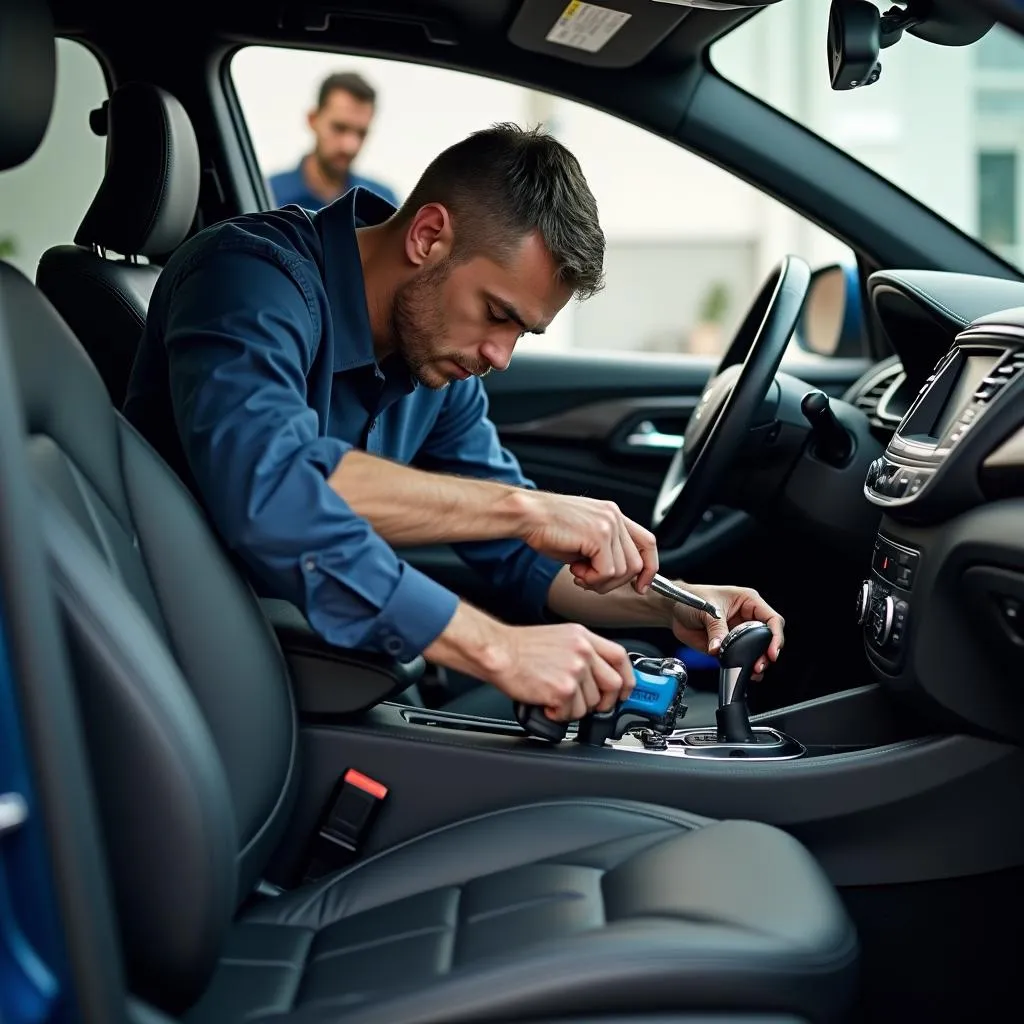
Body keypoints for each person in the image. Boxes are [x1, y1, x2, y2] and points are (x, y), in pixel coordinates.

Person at [124, 123, 784, 723]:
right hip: (211, 673)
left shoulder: (435, 368)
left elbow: (523, 562)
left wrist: (677, 605)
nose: (500, 356)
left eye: (523, 332)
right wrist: (499, 645)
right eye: (497, 314)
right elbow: (274, 487)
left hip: (336, 668)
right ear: (428, 236)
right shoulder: (247, 280)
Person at [268, 71, 399, 211]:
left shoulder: (382, 203)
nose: (349, 146)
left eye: (361, 133)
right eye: (339, 128)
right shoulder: (267, 194)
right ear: (313, 120)